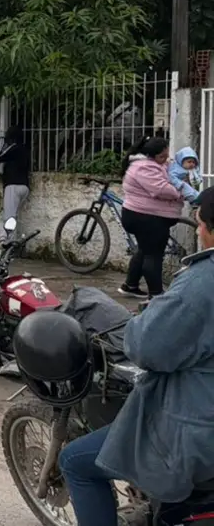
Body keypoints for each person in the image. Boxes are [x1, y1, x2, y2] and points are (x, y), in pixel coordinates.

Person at [55, 187, 214, 526]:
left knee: (76, 462)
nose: (198, 231)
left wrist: (146, 320)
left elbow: (147, 348)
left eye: (200, 224)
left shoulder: (202, 283)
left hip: (197, 436)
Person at [119, 137, 184, 299]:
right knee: (153, 255)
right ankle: (156, 295)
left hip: (142, 216)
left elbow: (167, 171)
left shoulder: (150, 164)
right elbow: (161, 189)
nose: (166, 159)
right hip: (148, 218)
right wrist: (181, 191)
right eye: (162, 156)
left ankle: (130, 285)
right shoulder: (144, 168)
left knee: (144, 250)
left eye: (167, 155)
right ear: (150, 155)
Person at [0, 124, 31, 243]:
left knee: (9, 218)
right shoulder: (25, 149)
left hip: (12, 186)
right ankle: (5, 240)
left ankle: (8, 244)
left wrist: (1, 143)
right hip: (24, 187)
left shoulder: (13, 148)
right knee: (9, 215)